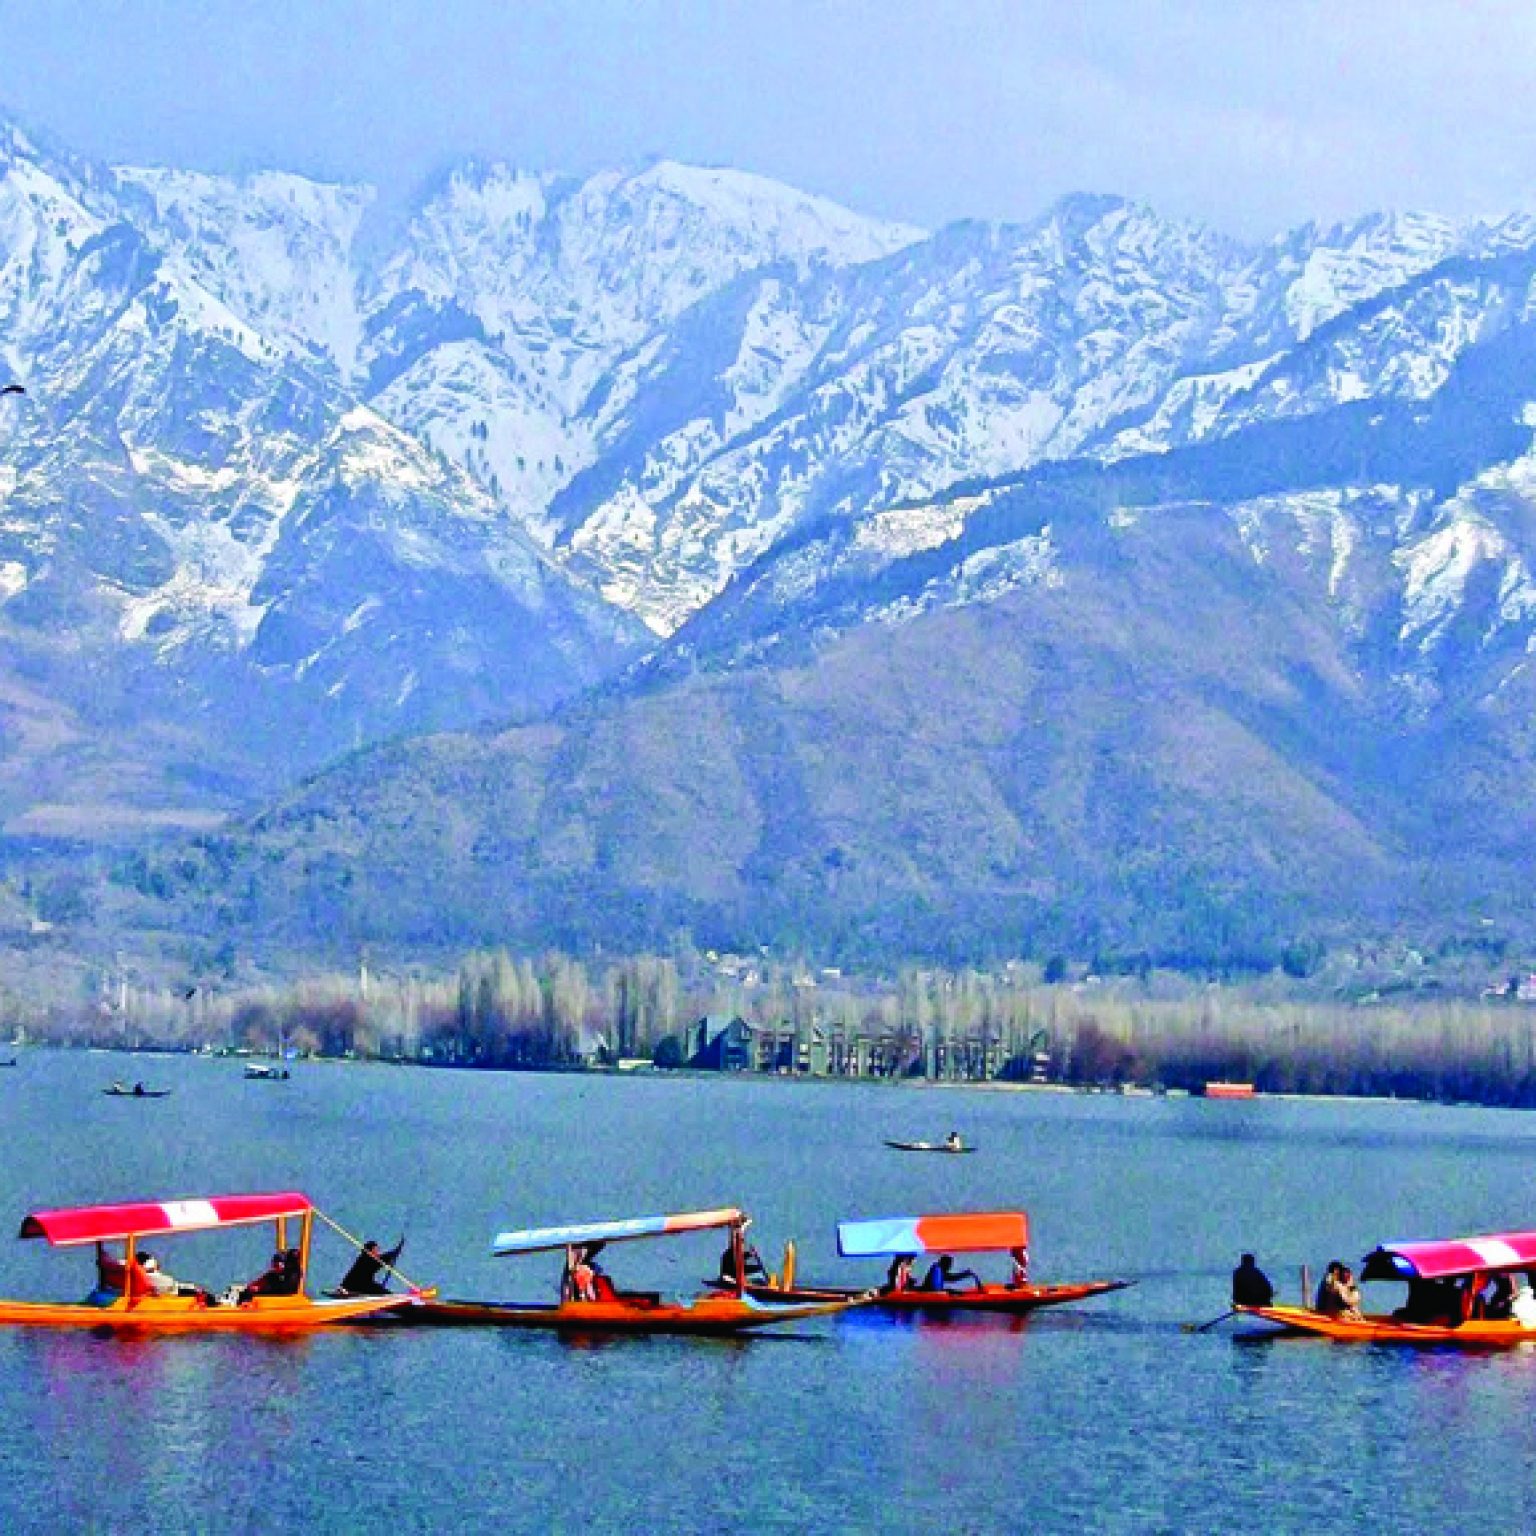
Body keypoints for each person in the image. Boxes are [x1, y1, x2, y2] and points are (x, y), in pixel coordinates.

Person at [335, 1236, 404, 1297]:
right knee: (386, 1294)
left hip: (362, 1285)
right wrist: (395, 1252)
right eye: (376, 1250)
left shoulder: (365, 1258)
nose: (378, 1252)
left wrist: (394, 1253)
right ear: (371, 1250)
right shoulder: (367, 1259)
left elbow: (381, 1259)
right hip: (357, 1286)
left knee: (382, 1291)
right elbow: (382, 1259)